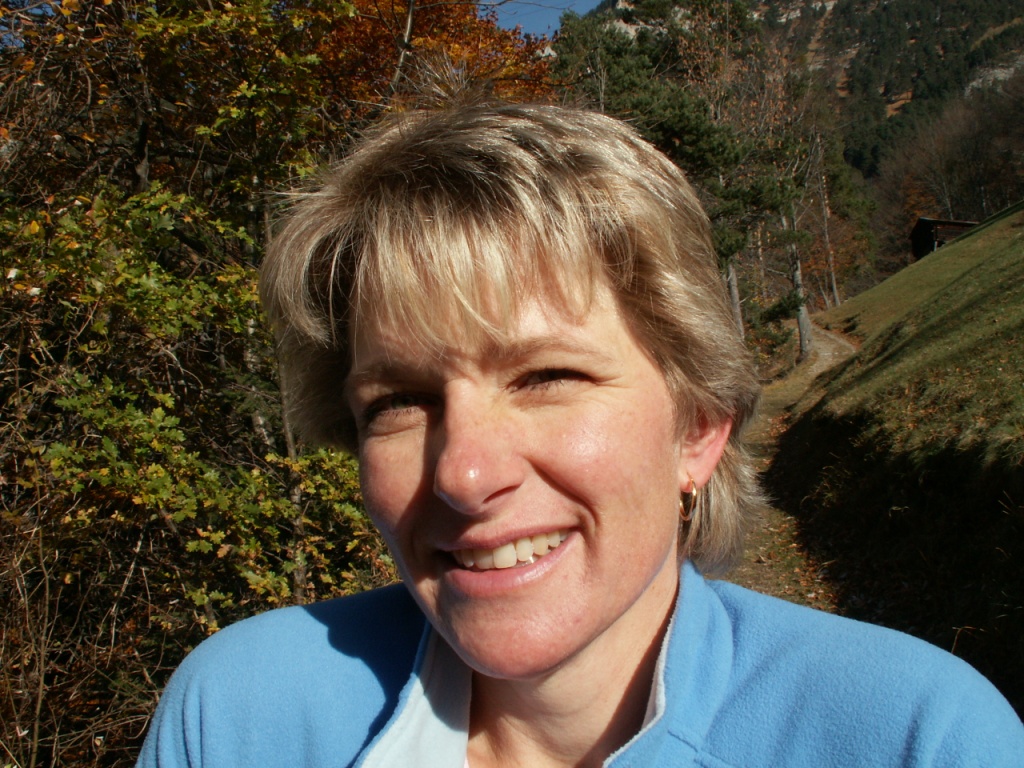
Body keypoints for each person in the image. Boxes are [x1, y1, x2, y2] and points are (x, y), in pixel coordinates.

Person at [137, 101, 1023, 768]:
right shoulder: (242, 719)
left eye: (546, 377)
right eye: (400, 401)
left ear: (699, 426)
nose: (464, 473)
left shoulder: (917, 738)